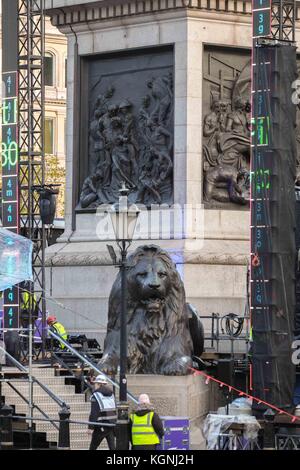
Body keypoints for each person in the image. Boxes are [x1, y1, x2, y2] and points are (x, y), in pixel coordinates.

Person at [88, 374, 117, 450]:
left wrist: (90, 427)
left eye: (95, 384)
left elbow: (94, 413)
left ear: (98, 384)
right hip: (111, 425)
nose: (95, 385)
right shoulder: (111, 394)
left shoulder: (96, 395)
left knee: (93, 447)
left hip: (100, 426)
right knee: (112, 447)